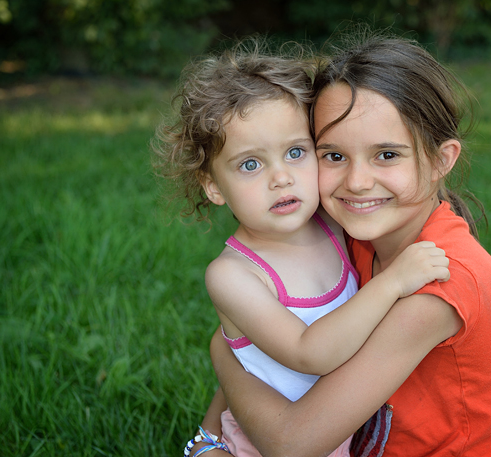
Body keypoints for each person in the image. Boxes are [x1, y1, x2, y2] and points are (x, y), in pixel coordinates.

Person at [208, 32, 491, 457]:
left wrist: (223, 354)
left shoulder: (436, 287)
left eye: (387, 155)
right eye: (334, 156)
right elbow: (264, 350)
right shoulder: (357, 236)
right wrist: (208, 440)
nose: (357, 183)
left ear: (441, 159)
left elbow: (293, 443)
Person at [152, 39, 452, 457]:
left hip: (331, 432)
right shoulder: (234, 275)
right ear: (214, 186)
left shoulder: (332, 226)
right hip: (260, 442)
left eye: (295, 152)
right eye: (250, 164)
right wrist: (393, 282)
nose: (281, 178)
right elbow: (310, 354)